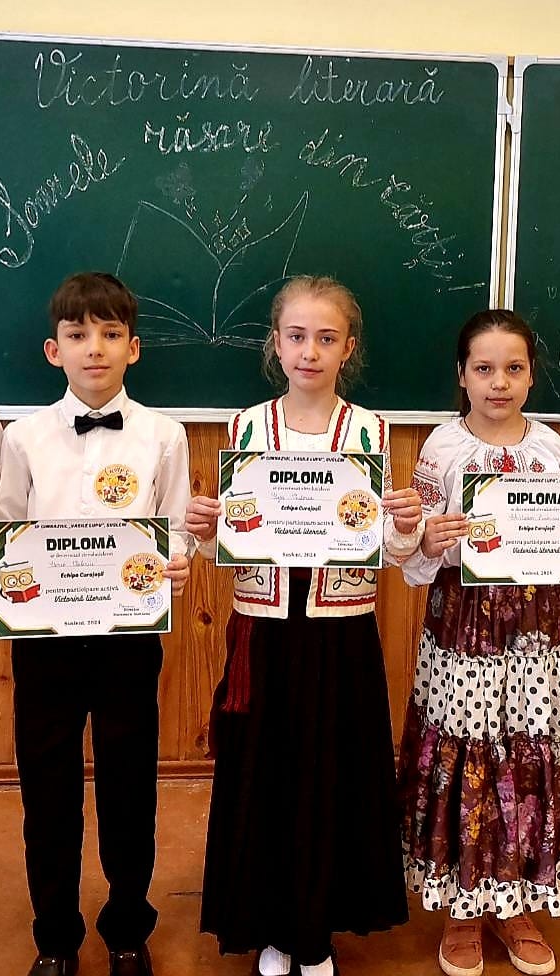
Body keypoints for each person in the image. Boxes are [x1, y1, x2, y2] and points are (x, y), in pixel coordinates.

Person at [187, 275, 424, 976]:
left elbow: (386, 548)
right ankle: (272, 927)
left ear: (348, 348)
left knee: (330, 776)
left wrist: (404, 527)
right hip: (264, 627)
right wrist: (206, 530)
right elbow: (228, 543)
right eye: (296, 336)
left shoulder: (370, 432)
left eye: (326, 338)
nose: (310, 351)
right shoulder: (246, 428)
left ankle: (315, 930)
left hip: (338, 629)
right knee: (266, 777)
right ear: (276, 343)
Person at [0, 271, 192, 976]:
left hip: (129, 637)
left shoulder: (165, 436)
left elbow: (178, 525)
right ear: (53, 349)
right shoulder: (22, 437)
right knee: (48, 790)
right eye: (77, 334)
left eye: (110, 334)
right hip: (45, 641)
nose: (93, 348)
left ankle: (127, 928)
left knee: (130, 784)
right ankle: (55, 937)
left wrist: (178, 562)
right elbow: (6, 527)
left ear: (133, 347)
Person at [398, 309, 560, 976]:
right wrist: (429, 539)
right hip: (464, 626)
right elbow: (416, 558)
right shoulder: (441, 448)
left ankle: (515, 902)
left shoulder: (552, 448)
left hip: (540, 627)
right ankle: (464, 908)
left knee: (529, 754)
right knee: (468, 753)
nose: (499, 382)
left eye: (513, 368)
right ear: (461, 376)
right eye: (484, 368)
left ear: (531, 376)